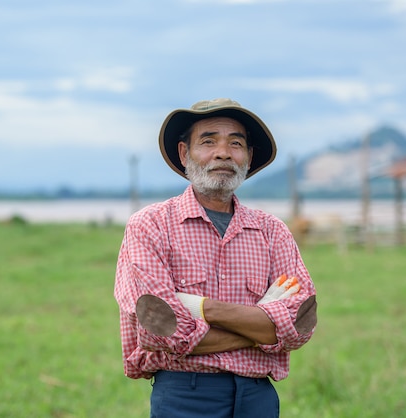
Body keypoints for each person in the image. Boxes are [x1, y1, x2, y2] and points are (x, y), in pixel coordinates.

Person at [114, 98, 317, 418]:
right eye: (208, 141)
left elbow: (300, 322)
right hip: (184, 396)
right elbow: (159, 329)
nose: (223, 152)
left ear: (248, 156)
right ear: (185, 153)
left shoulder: (272, 231)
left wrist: (198, 307)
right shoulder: (150, 225)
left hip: (258, 398)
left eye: (236, 143)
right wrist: (262, 322)